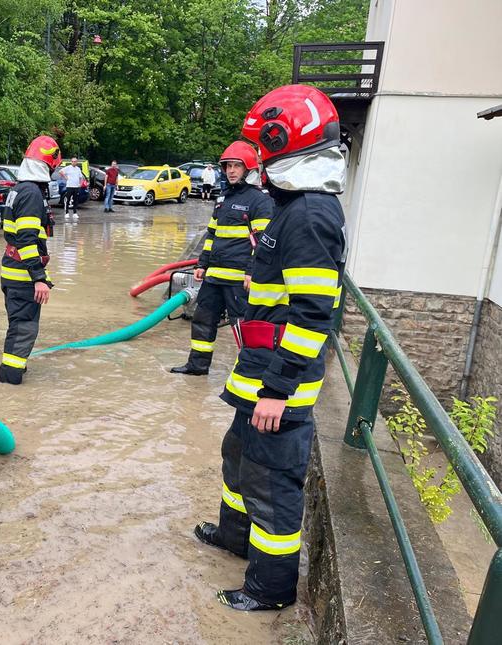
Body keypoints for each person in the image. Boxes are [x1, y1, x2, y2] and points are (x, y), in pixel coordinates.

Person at [193, 85, 347, 612]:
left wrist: (278, 391)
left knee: (272, 486)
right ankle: (235, 538)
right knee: (239, 458)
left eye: (265, 148)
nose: (259, 160)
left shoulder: (307, 216)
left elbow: (312, 316)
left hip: (278, 383)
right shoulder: (291, 206)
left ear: (285, 143)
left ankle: (270, 589)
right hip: (256, 370)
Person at [171, 141, 273, 376]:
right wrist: (202, 263)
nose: (231, 171)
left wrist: (251, 272)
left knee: (243, 326)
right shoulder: (222, 198)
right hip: (214, 276)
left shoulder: (260, 201)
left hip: (239, 279)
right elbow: (212, 234)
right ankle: (197, 366)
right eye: (228, 166)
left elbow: (261, 243)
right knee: (202, 320)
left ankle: (249, 370)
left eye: (237, 166)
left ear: (248, 170)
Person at [0, 135, 62, 385]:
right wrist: (39, 278)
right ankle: (10, 382)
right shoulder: (32, 193)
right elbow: (26, 239)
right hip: (23, 276)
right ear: (50, 164)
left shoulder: (19, 189)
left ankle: (13, 373)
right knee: (24, 329)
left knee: (18, 327)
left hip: (12, 272)